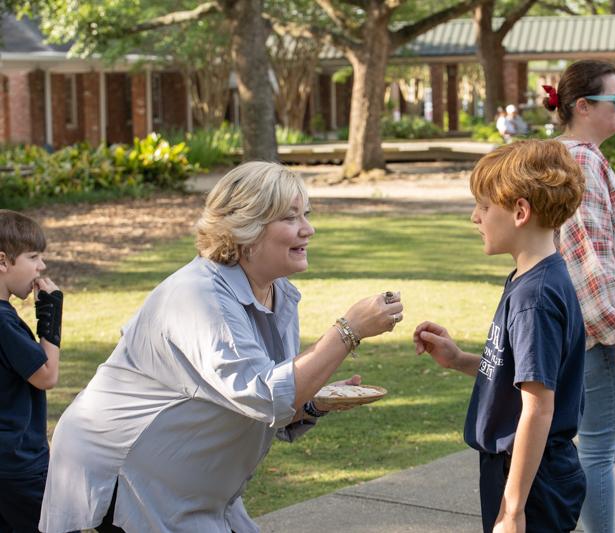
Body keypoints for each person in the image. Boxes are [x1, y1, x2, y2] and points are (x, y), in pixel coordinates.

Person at [38, 162, 404, 533]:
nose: (308, 229)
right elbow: (262, 396)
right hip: (128, 476)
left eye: (305, 215)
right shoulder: (198, 295)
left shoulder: (279, 294)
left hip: (193, 489)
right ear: (247, 228)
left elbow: (260, 398)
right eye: (290, 218)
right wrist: (348, 331)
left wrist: (312, 402)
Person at [414, 139, 587, 532]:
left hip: (531, 476)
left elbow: (538, 408)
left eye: (484, 207)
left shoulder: (534, 298)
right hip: (528, 470)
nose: (475, 217)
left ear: (520, 212)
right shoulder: (536, 278)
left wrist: (512, 510)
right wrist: (459, 359)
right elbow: (523, 374)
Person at [542, 60, 615, 533]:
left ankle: (559, 482)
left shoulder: (568, 155)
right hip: (599, 328)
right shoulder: (581, 160)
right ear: (582, 106)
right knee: (597, 447)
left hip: (595, 322)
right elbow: (586, 253)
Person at [0, 210, 64, 532]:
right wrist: (51, 315)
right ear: (3, 262)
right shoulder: (2, 321)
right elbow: (47, 376)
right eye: (34, 256)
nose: (42, 267)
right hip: (18, 462)